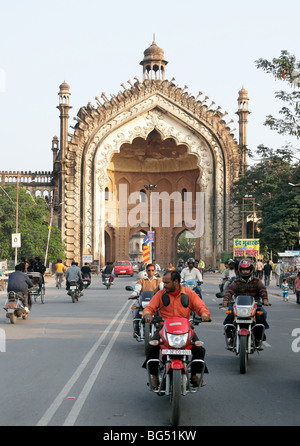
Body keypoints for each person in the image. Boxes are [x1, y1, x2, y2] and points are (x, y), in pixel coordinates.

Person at [142, 270, 210, 388]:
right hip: (164, 327)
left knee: (199, 349)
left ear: (176, 282)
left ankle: (194, 375)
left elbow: (200, 306)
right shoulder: (160, 294)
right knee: (151, 347)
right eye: (163, 282)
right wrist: (147, 314)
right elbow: (150, 307)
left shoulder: (189, 294)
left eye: (167, 283)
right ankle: (153, 376)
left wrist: (204, 315)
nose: (164, 285)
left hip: (185, 328)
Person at [223, 258, 270, 347]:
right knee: (230, 314)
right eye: (243, 270)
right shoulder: (236, 282)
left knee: (263, 313)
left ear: (251, 270)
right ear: (240, 270)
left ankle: (259, 336)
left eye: (247, 269)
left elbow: (263, 290)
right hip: (238, 306)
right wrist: (225, 300)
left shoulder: (257, 281)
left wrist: (265, 300)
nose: (245, 272)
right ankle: (230, 336)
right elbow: (229, 291)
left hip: (254, 305)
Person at [129, 263, 164, 337]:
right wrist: (134, 294)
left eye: (152, 270)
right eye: (149, 270)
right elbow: (137, 289)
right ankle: (136, 326)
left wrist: (165, 294)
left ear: (155, 271)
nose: (150, 272)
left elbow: (162, 289)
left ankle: (162, 328)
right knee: (135, 308)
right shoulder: (142, 280)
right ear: (146, 271)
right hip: (143, 302)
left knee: (163, 311)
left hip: (155, 302)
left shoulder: (159, 280)